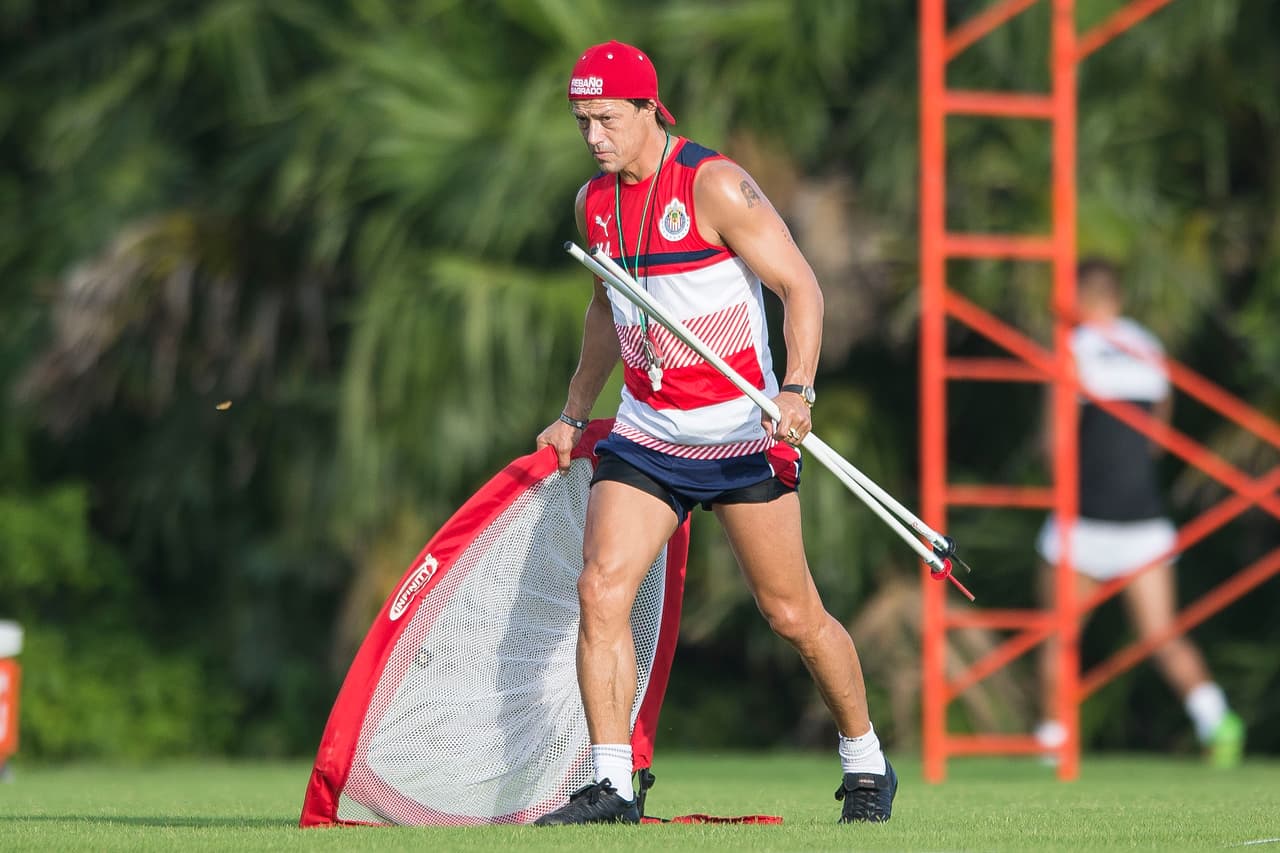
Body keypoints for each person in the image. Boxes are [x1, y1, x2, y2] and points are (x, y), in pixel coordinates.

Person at [532, 41, 895, 825]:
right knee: (600, 590)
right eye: (581, 121)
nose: (593, 137)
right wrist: (570, 413)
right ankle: (614, 784)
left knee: (792, 613)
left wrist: (796, 389)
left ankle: (866, 759)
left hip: (738, 434)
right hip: (647, 435)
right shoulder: (592, 204)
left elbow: (800, 287)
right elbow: (606, 310)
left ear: (645, 109)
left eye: (604, 119)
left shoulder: (714, 184)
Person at [1033, 258, 1244, 767]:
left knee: (1057, 637)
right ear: (1118, 296)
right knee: (1163, 635)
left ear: (1080, 295)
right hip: (1143, 520)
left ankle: (1051, 741)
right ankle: (1218, 721)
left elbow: (1052, 443)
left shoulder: (1072, 347)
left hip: (1082, 520)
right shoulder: (1149, 347)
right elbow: (1157, 441)